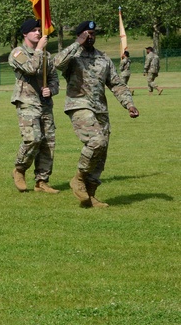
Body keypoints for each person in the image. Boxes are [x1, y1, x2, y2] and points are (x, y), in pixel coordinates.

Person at [54, 21, 139, 208]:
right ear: (79, 35)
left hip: (100, 109)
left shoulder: (103, 58)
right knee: (96, 141)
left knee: (101, 154)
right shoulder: (73, 56)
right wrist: (78, 42)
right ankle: (78, 178)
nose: (90, 37)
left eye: (93, 33)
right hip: (79, 105)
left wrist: (129, 104)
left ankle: (90, 196)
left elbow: (116, 84)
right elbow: (57, 63)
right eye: (86, 34)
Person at [8, 19, 60, 193]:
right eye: (34, 30)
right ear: (25, 34)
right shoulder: (17, 53)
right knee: (33, 139)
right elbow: (30, 68)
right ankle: (20, 169)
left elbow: (53, 78)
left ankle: (42, 181)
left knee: (47, 142)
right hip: (27, 102)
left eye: (40, 30)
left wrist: (51, 90)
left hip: (44, 103)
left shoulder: (46, 54)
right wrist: (38, 50)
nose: (38, 33)